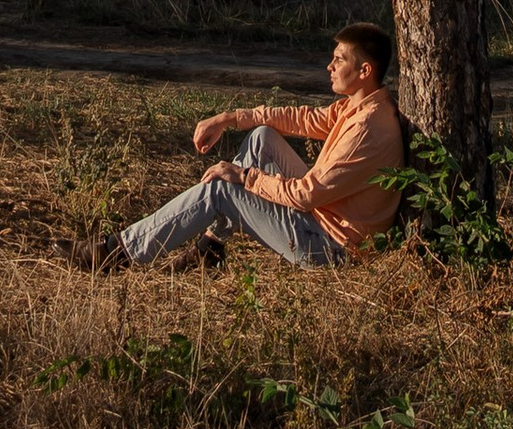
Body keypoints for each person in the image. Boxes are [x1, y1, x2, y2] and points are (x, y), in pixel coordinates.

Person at [110, 25, 407, 270]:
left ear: (365, 70)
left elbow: (305, 195)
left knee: (221, 189)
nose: (329, 67)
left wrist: (245, 177)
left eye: (339, 60)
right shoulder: (362, 105)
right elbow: (304, 119)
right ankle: (210, 248)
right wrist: (230, 118)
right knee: (261, 137)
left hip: (330, 248)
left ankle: (118, 253)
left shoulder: (367, 128)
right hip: (321, 219)